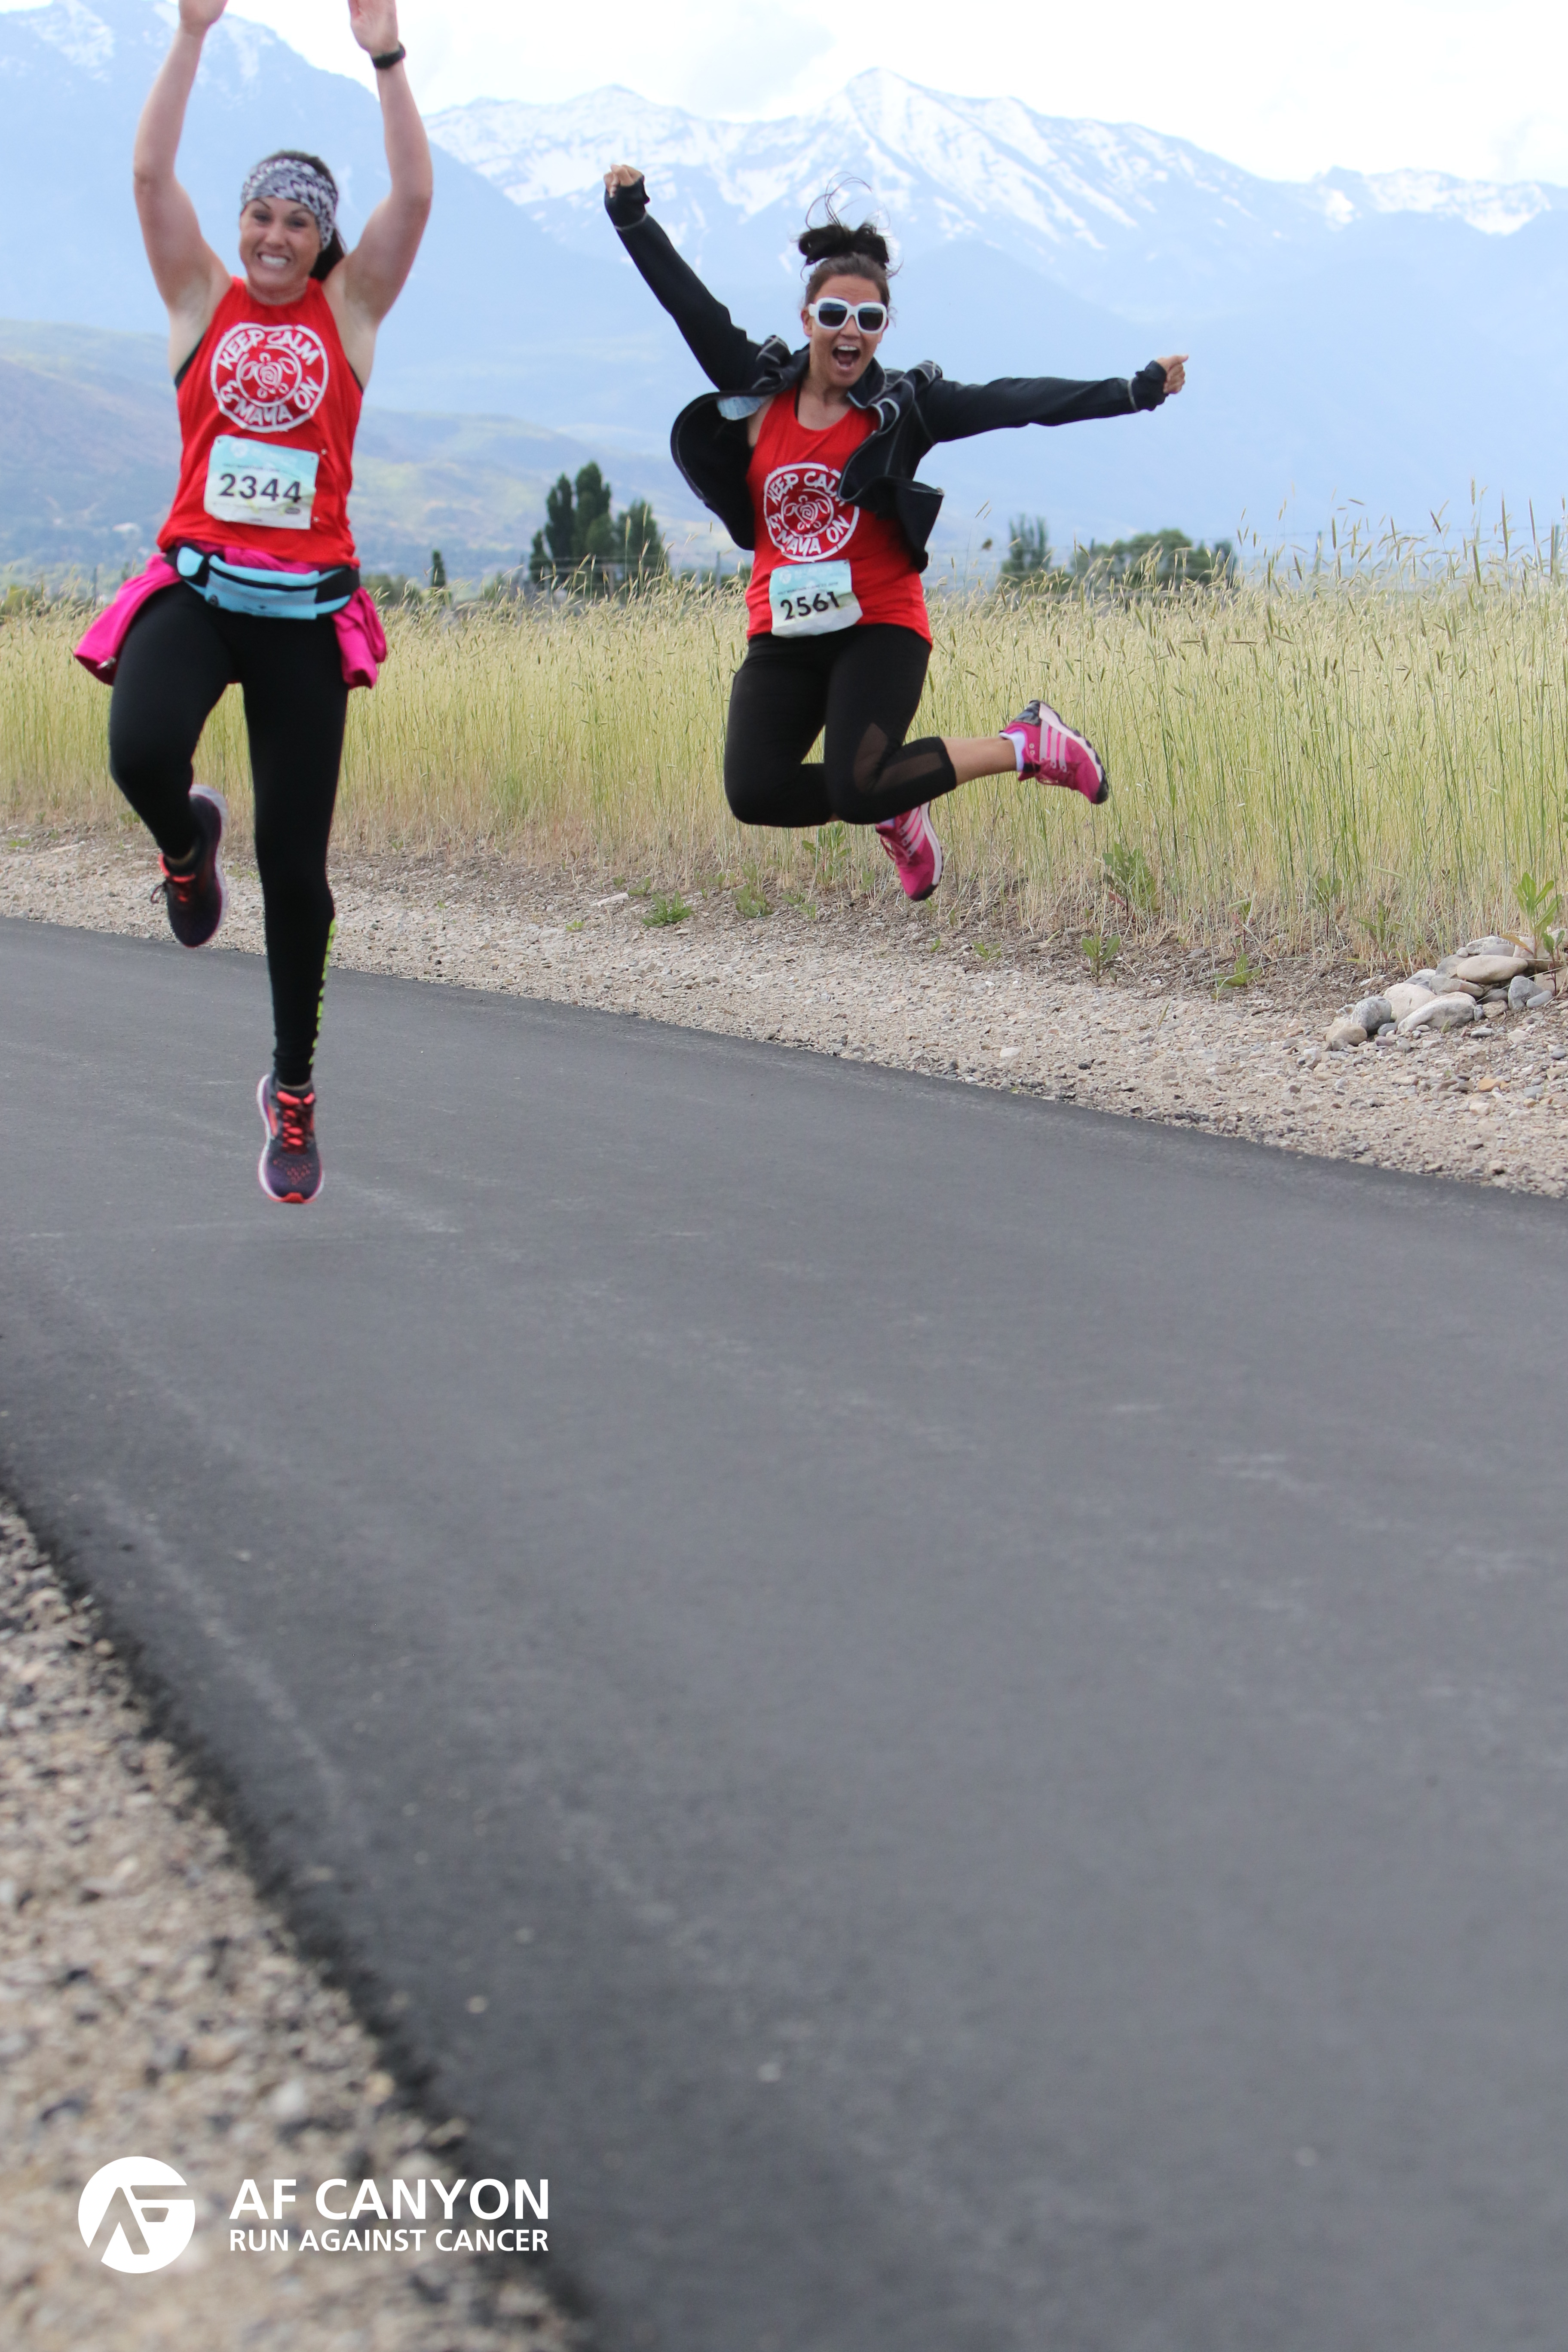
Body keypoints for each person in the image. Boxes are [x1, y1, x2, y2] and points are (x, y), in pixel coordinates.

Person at [74, 0, 432, 1203]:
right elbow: (147, 173)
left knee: (299, 872)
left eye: (299, 221)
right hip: (198, 588)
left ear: (324, 242)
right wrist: (190, 34)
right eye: (262, 216)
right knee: (138, 753)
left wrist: (386, 59)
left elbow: (414, 197)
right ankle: (187, 845)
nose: (276, 236)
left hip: (303, 616)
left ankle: (293, 1088)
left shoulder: (350, 315)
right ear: (240, 227)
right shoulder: (200, 300)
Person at [602, 169, 1186, 902]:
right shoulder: (759, 389)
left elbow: (1014, 401)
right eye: (835, 314)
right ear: (808, 318)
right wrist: (631, 217)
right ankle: (899, 799)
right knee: (755, 792)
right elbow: (688, 304)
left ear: (883, 330)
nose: (851, 331)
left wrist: (1131, 392)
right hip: (783, 632)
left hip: (878, 625)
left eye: (870, 319)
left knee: (857, 786)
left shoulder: (904, 406)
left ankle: (1026, 744)